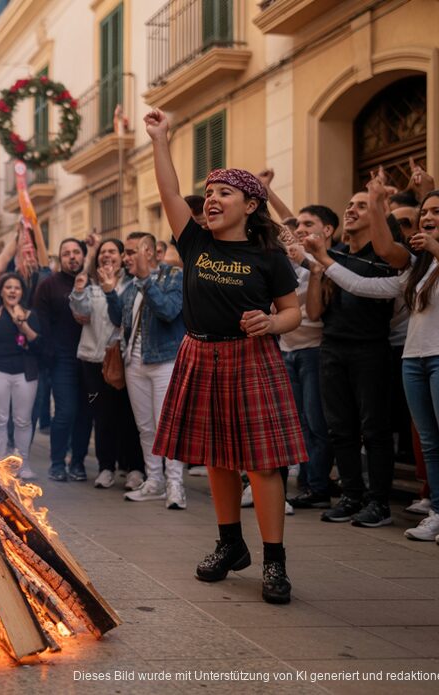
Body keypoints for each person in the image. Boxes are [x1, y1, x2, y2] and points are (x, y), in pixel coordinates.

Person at [144, 108, 306, 604]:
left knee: (261, 466)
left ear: (251, 205)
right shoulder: (193, 241)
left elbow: (293, 312)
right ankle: (230, 544)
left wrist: (271, 323)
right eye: (209, 193)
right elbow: (171, 192)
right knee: (216, 459)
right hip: (201, 354)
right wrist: (160, 139)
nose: (211, 200)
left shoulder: (269, 256)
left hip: (251, 359)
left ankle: (274, 561)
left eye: (224, 193)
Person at [312, 187, 439, 547]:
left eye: (437, 212)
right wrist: (323, 261)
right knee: (430, 443)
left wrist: (435, 248)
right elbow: (365, 285)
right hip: (414, 358)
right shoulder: (418, 264)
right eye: (425, 212)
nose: (427, 218)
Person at [306, 190, 399, 528]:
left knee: (374, 429)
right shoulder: (335, 254)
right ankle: (351, 496)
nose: (352, 210)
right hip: (332, 348)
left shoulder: (384, 255)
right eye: (349, 205)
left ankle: (379, 503)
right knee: (339, 429)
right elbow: (315, 313)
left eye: (362, 205)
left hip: (371, 348)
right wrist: (317, 272)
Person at [101, 232, 186, 509]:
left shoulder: (172, 276)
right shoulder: (131, 285)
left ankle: (175, 485)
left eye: (130, 252)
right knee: (146, 428)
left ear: (148, 251)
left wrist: (147, 281)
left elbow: (169, 311)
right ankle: (155, 481)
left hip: (164, 361)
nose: (125, 258)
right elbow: (119, 319)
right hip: (134, 363)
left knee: (167, 426)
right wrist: (111, 292)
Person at [69, 238, 143, 489]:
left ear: (122, 256)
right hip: (92, 359)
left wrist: (112, 291)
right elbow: (82, 315)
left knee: (129, 416)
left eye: (112, 251)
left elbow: (120, 316)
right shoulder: (90, 285)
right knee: (102, 417)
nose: (107, 256)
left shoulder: (133, 284)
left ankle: (135, 469)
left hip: (124, 360)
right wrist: (79, 292)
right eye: (103, 252)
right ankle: (105, 468)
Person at [281, 205, 338, 509]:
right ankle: (307, 481)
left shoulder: (324, 261)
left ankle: (317, 486)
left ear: (327, 230)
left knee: (316, 423)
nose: (300, 229)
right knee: (301, 422)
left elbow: (316, 310)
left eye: (308, 224)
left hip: (314, 350)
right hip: (288, 349)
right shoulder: (293, 260)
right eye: (298, 224)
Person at [32, 238, 88, 481]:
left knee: (85, 414)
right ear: (60, 258)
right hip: (62, 359)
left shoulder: (91, 283)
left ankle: (78, 463)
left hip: (90, 360)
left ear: (84, 257)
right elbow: (41, 323)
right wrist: (49, 356)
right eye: (66, 253)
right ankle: (57, 463)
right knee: (65, 411)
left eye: (76, 252)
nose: (72, 257)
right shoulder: (48, 286)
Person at [0, 272, 40, 478]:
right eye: (8, 287)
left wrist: (22, 324)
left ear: (22, 292)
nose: (12, 291)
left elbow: (39, 344)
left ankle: (23, 464)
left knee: (23, 420)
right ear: (1, 291)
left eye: (17, 287)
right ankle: (0, 463)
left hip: (25, 373)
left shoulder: (30, 315)